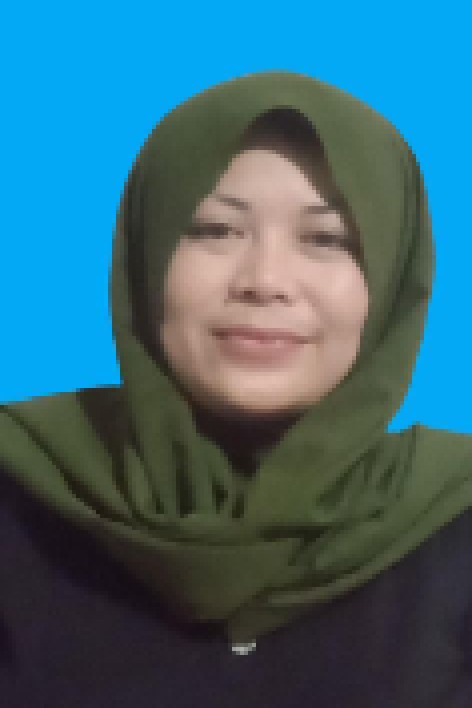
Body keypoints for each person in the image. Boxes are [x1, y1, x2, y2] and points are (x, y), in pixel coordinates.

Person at [1, 70, 471, 707]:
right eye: (214, 231)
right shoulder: (23, 492)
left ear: (390, 280)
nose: (264, 280)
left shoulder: (453, 519)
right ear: (146, 254)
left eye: (325, 238)